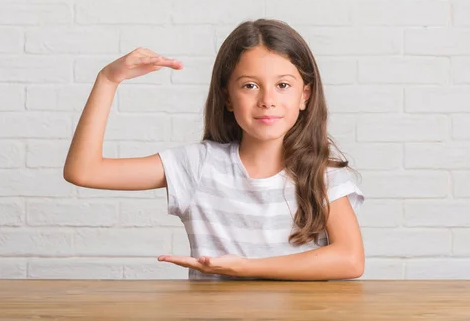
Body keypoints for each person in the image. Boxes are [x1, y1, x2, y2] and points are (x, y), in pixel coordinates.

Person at [64, 18, 365, 281]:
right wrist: (108, 80)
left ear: (305, 95)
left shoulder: (323, 174)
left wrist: (246, 268)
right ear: (228, 98)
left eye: (283, 85)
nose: (267, 100)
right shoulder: (198, 166)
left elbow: (350, 260)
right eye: (250, 86)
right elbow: (84, 171)